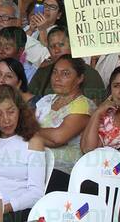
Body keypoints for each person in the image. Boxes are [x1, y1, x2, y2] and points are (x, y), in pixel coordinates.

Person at [0, 85, 45, 221]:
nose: (6, 119)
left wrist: (3, 208)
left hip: (11, 212)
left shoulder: (32, 142)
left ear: (20, 110)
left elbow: (36, 193)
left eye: (11, 112)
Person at [35, 55, 96, 191]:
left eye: (65, 74)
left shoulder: (83, 105)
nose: (57, 78)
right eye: (55, 72)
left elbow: (58, 138)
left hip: (64, 173)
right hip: (38, 164)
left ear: (79, 78)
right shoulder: (47, 100)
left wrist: (32, 133)